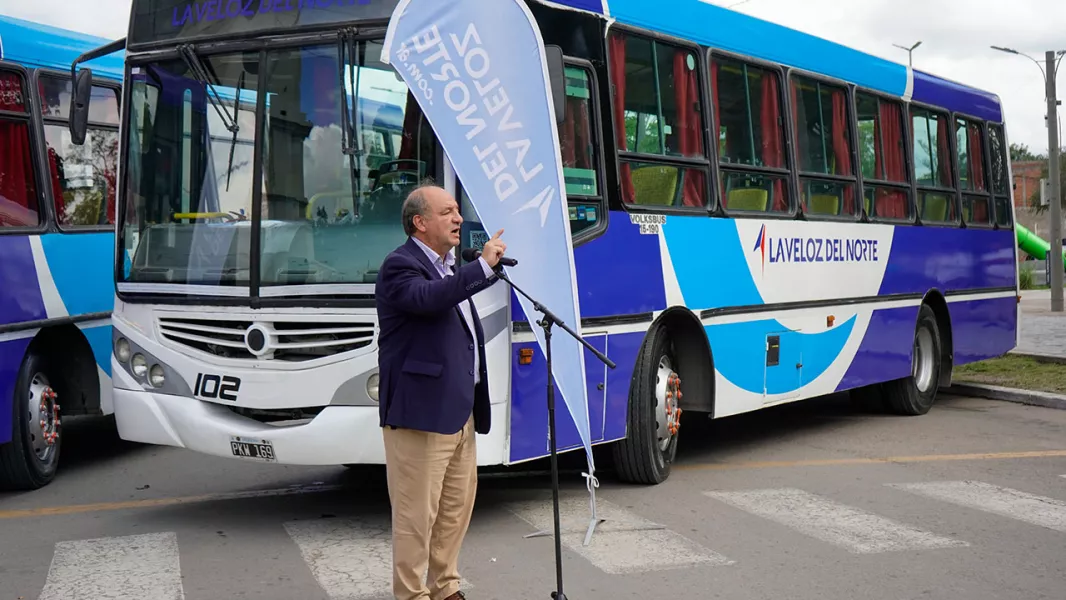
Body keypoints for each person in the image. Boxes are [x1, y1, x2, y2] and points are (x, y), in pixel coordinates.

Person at [374, 182, 507, 600]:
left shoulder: (449, 266)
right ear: (420, 222)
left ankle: (445, 588)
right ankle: (412, 595)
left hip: (458, 411)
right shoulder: (401, 266)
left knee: (454, 511)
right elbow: (429, 300)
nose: (458, 218)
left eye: (457, 210)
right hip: (420, 414)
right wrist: (482, 269)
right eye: (448, 211)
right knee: (417, 516)